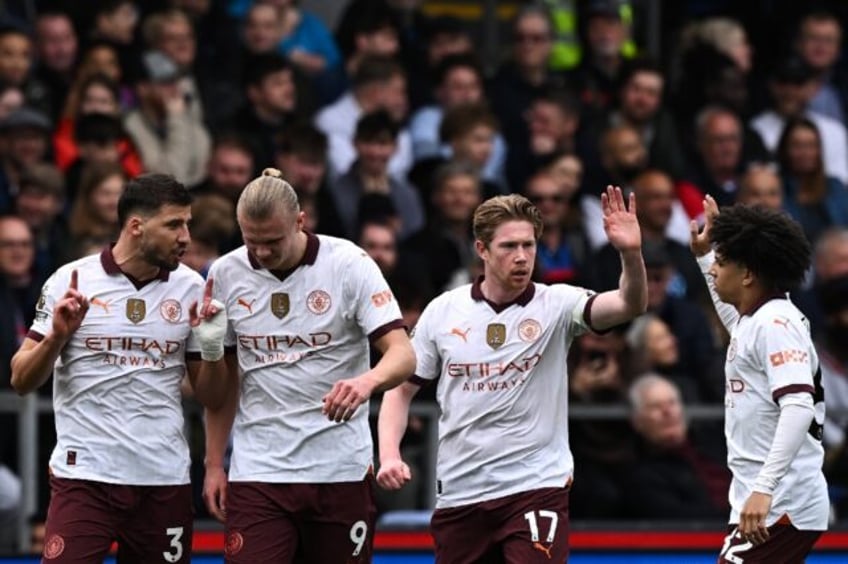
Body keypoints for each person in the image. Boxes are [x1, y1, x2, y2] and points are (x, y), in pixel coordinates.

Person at [377, 187, 647, 561]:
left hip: (536, 486)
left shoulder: (557, 304)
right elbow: (400, 389)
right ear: (482, 249)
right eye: (509, 247)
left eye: (529, 245)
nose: (522, 257)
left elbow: (629, 304)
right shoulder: (443, 311)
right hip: (461, 493)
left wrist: (630, 253)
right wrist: (389, 454)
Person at [200, 168, 416, 563]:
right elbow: (219, 390)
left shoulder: (349, 263)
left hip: (340, 470)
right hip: (260, 471)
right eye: (252, 241)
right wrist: (215, 464)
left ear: (301, 222)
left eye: (272, 241)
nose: (261, 253)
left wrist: (366, 382)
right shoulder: (226, 273)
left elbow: (403, 354)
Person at [9, 173, 227, 562]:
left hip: (162, 479)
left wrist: (211, 347)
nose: (186, 238)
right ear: (136, 226)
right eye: (174, 224)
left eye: (188, 224)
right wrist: (58, 337)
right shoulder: (71, 280)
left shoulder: (193, 288)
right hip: (85, 476)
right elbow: (21, 379)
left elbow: (212, 397)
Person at [689, 197, 828, 561]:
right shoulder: (755, 319)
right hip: (769, 502)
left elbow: (798, 406)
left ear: (748, 274)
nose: (715, 271)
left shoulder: (776, 324)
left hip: (782, 504)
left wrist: (764, 489)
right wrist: (707, 255)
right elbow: (735, 324)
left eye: (722, 263)